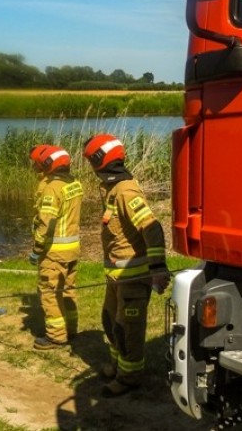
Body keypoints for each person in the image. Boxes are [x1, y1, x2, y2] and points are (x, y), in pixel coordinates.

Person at [82, 134, 170, 397]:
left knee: (128, 329)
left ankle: (130, 377)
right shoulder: (112, 188)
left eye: (91, 161)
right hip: (116, 276)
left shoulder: (125, 191)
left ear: (101, 161)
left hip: (132, 278)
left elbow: (152, 229)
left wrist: (157, 267)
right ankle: (117, 364)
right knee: (111, 322)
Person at [28, 145, 83, 350]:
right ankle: (71, 328)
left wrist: (37, 249)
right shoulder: (74, 183)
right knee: (68, 290)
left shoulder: (52, 188)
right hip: (72, 249)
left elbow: (47, 222)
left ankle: (56, 337)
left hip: (54, 251)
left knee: (50, 292)